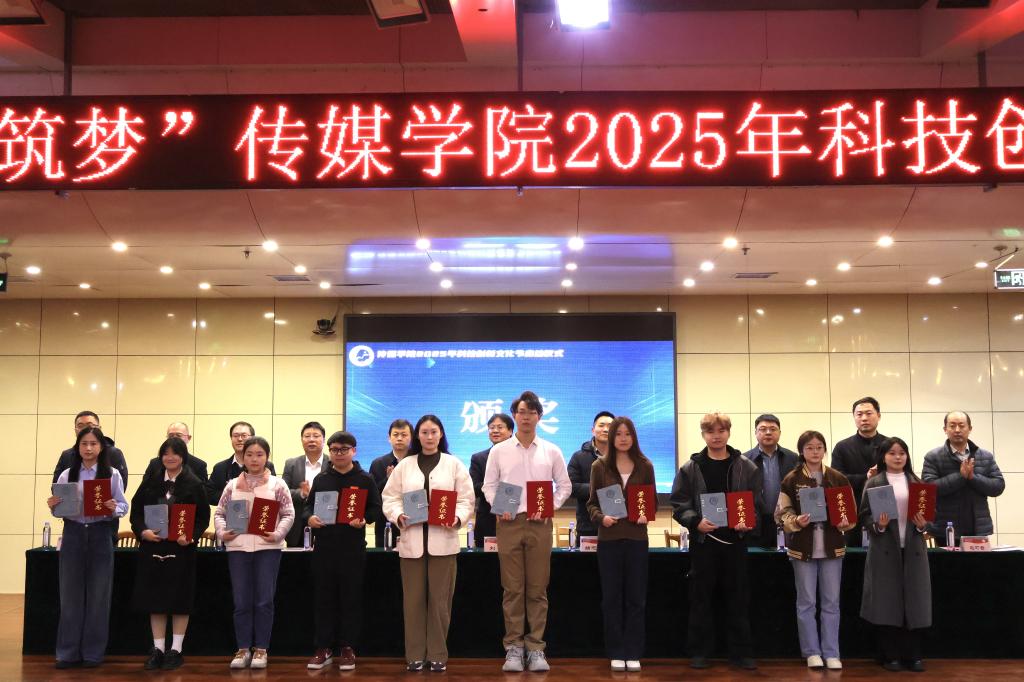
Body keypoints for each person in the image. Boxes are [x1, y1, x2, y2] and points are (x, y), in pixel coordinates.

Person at [482, 390, 572, 673]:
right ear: (514, 415)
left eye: (532, 412)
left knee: (537, 589)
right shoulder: (499, 450)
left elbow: (565, 486)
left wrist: (550, 507)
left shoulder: (551, 450)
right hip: (509, 523)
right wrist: (498, 506)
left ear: (539, 417)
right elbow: (488, 486)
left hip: (539, 525)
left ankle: (535, 648)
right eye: (521, 412)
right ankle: (513, 647)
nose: (526, 417)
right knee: (512, 589)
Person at [669, 412, 762, 671]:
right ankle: (700, 652)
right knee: (701, 599)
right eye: (711, 431)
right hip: (704, 542)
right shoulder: (691, 467)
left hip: (736, 542)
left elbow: (756, 502)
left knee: (738, 598)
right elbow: (679, 503)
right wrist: (695, 521)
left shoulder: (746, 466)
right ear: (703, 435)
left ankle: (741, 653)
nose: (716, 436)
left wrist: (749, 520)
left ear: (729, 433)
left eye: (721, 430)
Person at [382, 415, 473, 673]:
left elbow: (466, 500)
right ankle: (414, 655)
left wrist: (457, 518)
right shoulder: (405, 465)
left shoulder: (454, 464)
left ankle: (437, 654)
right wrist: (398, 515)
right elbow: (390, 497)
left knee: (440, 602)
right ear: (417, 436)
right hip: (412, 542)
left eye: (434, 432)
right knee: (413, 602)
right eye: (424, 432)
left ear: (441, 434)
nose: (429, 436)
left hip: (443, 542)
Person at [47, 426, 129, 669]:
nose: (89, 448)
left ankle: (93, 653)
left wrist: (113, 507)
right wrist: (53, 506)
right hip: (73, 534)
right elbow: (59, 511)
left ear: (101, 447)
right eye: (84, 444)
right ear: (78, 447)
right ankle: (67, 653)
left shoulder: (112, 474)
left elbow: (123, 507)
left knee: (98, 596)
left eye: (94, 443)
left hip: (100, 534)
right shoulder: (67, 474)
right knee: (70, 596)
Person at [775, 431, 855, 671]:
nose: (815, 451)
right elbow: (781, 514)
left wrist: (845, 522)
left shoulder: (838, 478)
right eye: (809, 447)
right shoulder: (792, 479)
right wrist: (796, 521)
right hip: (803, 549)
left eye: (819, 447)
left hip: (832, 547)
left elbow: (850, 513)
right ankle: (811, 652)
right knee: (806, 602)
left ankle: (831, 652)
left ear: (824, 450)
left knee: (831, 602)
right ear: (802, 451)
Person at [129, 437, 211, 671]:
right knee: (155, 600)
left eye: (175, 453)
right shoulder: (151, 481)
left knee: (180, 600)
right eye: (165, 453)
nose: (170, 457)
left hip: (181, 550)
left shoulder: (194, 484)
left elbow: (202, 518)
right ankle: (157, 649)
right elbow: (136, 514)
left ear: (183, 456)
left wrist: (191, 536)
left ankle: (176, 650)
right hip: (153, 548)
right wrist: (142, 531)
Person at [213, 436, 295, 670]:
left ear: (267, 457)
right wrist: (223, 532)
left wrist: (278, 534)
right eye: (249, 454)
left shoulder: (278, 485)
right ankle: (242, 649)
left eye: (259, 454)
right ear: (243, 457)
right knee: (241, 601)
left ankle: (261, 649)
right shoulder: (232, 485)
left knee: (263, 601)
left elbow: (288, 513)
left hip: (268, 549)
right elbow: (219, 513)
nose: (254, 459)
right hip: (238, 549)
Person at [304, 431, 382, 672]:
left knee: (351, 599)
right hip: (324, 549)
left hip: (352, 549)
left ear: (353, 451)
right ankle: (323, 648)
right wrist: (310, 518)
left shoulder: (365, 479)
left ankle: (348, 648)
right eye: (334, 449)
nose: (339, 454)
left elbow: (375, 509)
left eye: (344, 449)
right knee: (323, 599)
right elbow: (307, 507)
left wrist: (365, 519)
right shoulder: (321, 479)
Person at [585, 416, 654, 673]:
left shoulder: (645, 465)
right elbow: (591, 503)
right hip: (609, 540)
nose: (623, 438)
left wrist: (646, 513)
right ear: (612, 437)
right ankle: (616, 651)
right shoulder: (599, 466)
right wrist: (601, 517)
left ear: (634, 437)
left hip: (637, 539)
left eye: (628, 434)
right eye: (618, 434)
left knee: (636, 599)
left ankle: (633, 652)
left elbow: (652, 501)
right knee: (611, 599)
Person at [860, 437, 931, 673]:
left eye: (902, 453)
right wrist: (878, 526)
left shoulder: (917, 482)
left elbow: (930, 515)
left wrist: (923, 525)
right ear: (883, 457)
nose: (897, 457)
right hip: (884, 549)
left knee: (915, 602)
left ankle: (914, 655)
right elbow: (864, 515)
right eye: (892, 453)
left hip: (913, 550)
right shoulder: (874, 482)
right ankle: (890, 655)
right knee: (886, 603)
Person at [921, 411, 1005, 543]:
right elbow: (928, 489)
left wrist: (973, 477)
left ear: (970, 429)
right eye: (952, 426)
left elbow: (998, 486)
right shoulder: (933, 457)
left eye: (961, 425)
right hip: (945, 528)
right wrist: (960, 477)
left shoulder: (985, 456)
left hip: (978, 527)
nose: (957, 430)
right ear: (945, 429)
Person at [831, 397, 886, 547]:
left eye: (869, 413)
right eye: (859, 414)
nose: (864, 418)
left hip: (884, 510)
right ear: (854, 417)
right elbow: (836, 480)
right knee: (853, 556)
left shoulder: (889, 445)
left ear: (879, 416)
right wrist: (865, 477)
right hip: (852, 511)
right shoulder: (842, 447)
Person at [743, 414, 798, 548]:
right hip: (757, 522)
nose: (768, 432)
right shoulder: (744, 460)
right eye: (763, 429)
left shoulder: (792, 458)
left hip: (785, 520)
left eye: (773, 429)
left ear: (779, 433)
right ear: (755, 432)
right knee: (758, 559)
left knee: (785, 560)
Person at [567, 411, 615, 544]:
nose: (606, 429)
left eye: (610, 426)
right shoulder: (578, 457)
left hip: (618, 526)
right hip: (588, 527)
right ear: (593, 430)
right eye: (601, 425)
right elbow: (571, 487)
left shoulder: (623, 457)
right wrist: (600, 489)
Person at [469, 413, 514, 547]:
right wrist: (493, 484)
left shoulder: (521, 456)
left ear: (511, 431)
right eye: (492, 427)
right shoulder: (478, 458)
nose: (495, 430)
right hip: (488, 521)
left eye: (500, 427)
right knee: (488, 559)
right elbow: (473, 488)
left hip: (516, 519)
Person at [52, 411, 129, 489]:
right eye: (80, 426)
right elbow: (57, 488)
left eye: (90, 425)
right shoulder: (67, 456)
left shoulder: (114, 454)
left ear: (99, 428)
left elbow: (121, 486)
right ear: (75, 430)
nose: (85, 429)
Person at [282, 421, 329, 547]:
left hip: (326, 522)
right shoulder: (291, 464)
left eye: (316, 436)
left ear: (324, 440)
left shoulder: (332, 464)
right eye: (307, 436)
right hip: (298, 524)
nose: (311, 439)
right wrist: (301, 493)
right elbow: (283, 492)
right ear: (302, 440)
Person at [369, 419, 413, 548]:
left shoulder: (418, 461)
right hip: (386, 524)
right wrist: (388, 480)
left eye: (404, 435)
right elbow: (373, 497)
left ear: (411, 437)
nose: (399, 438)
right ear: (389, 438)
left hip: (413, 522)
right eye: (395, 434)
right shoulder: (378, 463)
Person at [207, 421, 276, 505]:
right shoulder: (220, 467)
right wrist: (233, 494)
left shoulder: (267, 465)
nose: (239, 439)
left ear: (253, 438)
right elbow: (210, 495)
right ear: (231, 438)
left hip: (259, 511)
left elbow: (273, 493)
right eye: (235, 436)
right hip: (230, 512)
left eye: (244, 435)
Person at [141, 422, 209, 484]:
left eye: (179, 435)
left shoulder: (199, 465)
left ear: (189, 438)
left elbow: (202, 492)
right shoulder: (155, 463)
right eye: (171, 436)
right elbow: (144, 489)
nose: (174, 439)